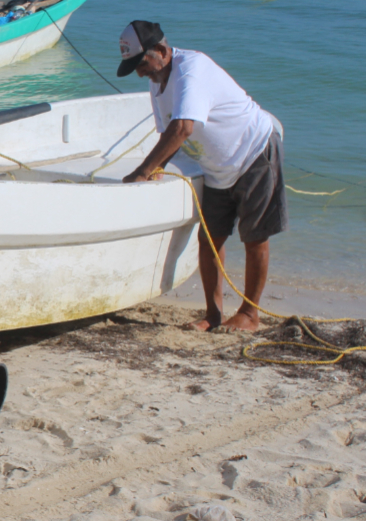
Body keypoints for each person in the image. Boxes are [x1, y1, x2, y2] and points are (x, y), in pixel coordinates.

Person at [118, 20, 286, 332]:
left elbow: (183, 128)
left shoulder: (191, 70)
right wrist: (158, 168)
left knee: (254, 237)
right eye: (134, 67)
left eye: (141, 63)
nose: (141, 73)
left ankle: (250, 314)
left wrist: (141, 172)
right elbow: (166, 133)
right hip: (216, 168)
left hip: (253, 151)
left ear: (163, 51)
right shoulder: (157, 81)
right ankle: (213, 314)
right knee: (209, 238)